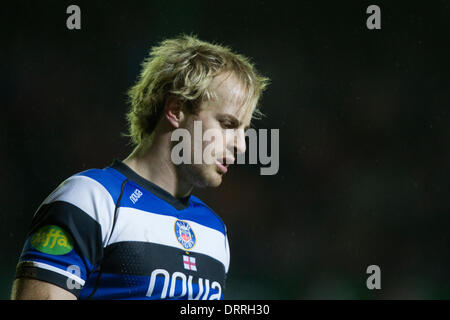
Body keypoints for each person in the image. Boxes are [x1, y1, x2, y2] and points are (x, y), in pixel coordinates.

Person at [11, 34, 269, 300]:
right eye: (227, 125)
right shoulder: (90, 200)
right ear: (176, 110)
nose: (241, 146)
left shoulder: (214, 231)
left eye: (244, 131)